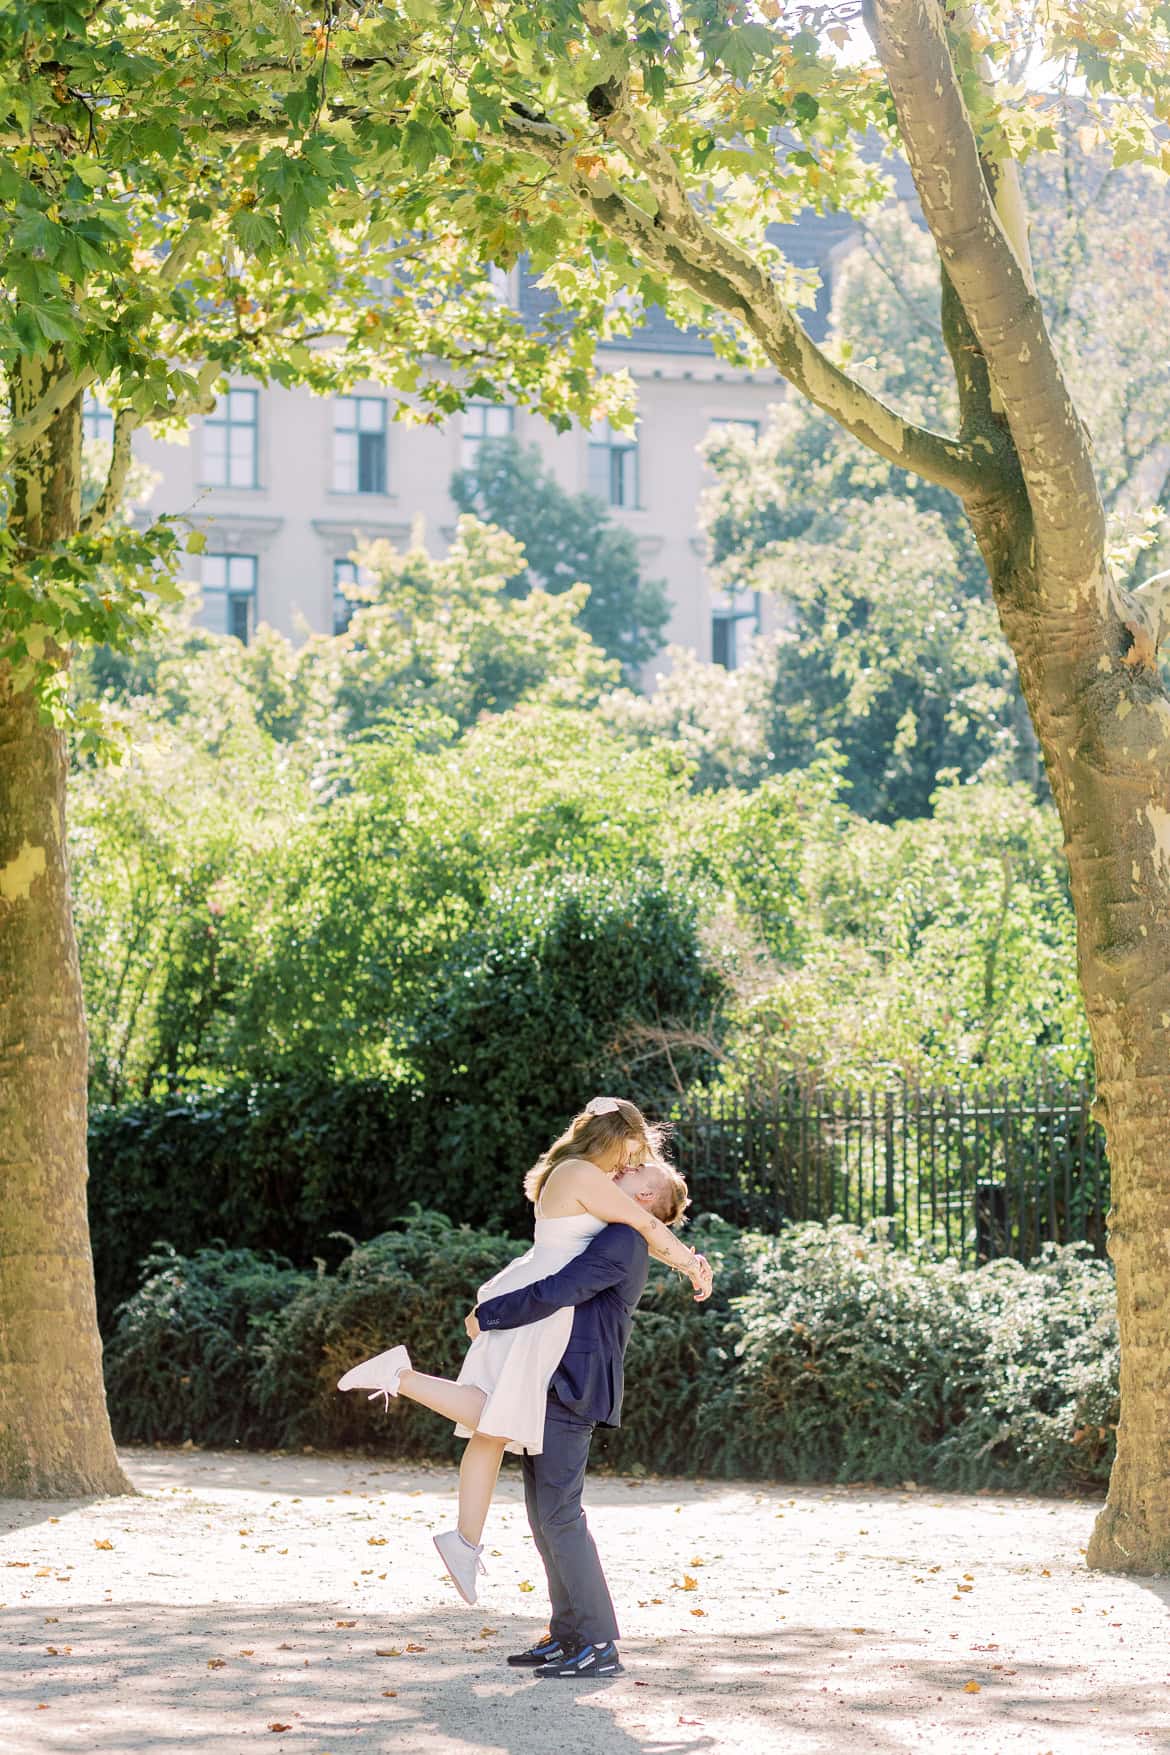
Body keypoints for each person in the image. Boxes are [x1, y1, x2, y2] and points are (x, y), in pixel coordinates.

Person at [336, 1097, 711, 1604]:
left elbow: (639, 1222)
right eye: (634, 1149)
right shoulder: (582, 1173)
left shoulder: (574, 1172)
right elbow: (645, 1225)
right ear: (614, 1136)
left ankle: (463, 1540)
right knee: (495, 1420)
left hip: (535, 1303)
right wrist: (693, 1267)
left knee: (493, 1425)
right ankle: (401, 1380)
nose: (632, 1161)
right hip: (539, 1312)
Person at [468, 1155, 685, 1679]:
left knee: (561, 1517)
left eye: (633, 1173)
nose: (619, 1171)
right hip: (549, 1382)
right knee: (544, 1520)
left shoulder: (623, 1240)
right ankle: (567, 1635)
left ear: (647, 1199)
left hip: (573, 1387)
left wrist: (488, 1316)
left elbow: (558, 1290)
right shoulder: (606, 1229)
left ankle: (598, 1644)